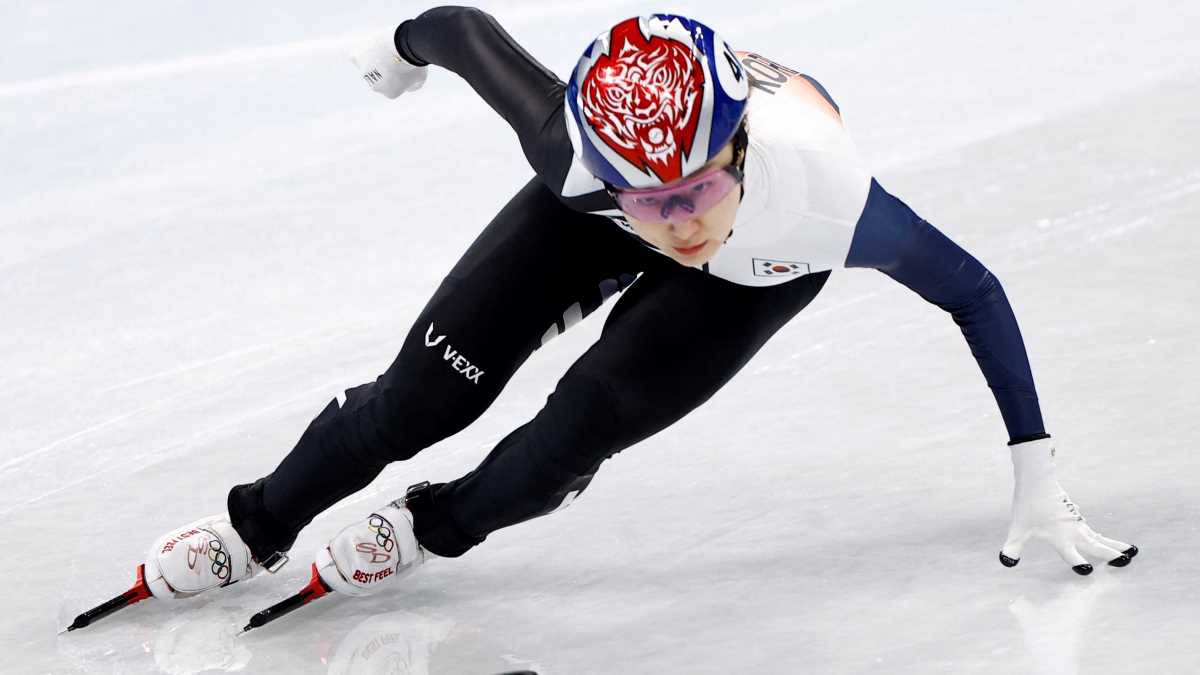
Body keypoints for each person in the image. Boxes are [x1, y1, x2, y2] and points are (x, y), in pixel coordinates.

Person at [140, 8, 1136, 604]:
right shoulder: (578, 160)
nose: (679, 229)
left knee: (575, 429)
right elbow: (460, 30)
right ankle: (256, 524)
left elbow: (978, 294)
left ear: (740, 152)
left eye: (698, 194)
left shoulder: (834, 206)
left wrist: (1034, 471)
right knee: (418, 399)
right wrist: (393, 47)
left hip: (767, 274)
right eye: (650, 208)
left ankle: (435, 528)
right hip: (591, 211)